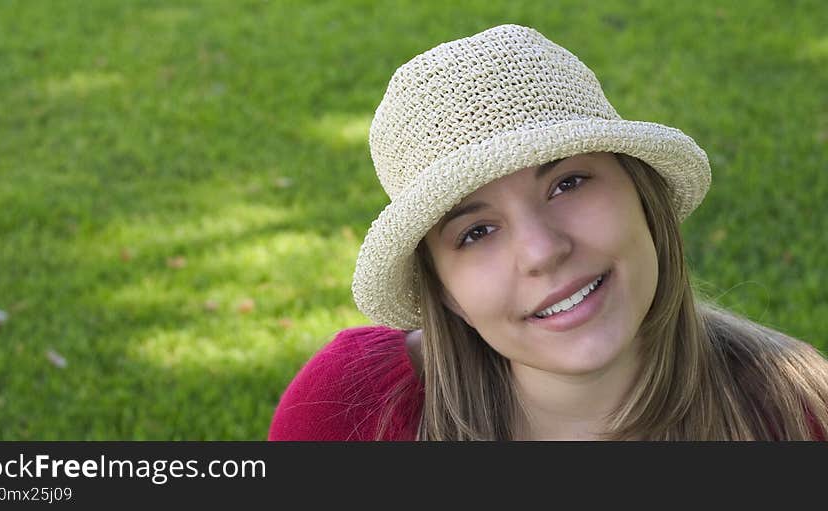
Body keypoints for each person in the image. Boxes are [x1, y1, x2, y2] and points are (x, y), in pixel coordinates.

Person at [268, 24, 828, 441]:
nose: (541, 251)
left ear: (642, 195)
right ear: (443, 291)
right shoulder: (347, 409)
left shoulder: (797, 414)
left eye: (568, 183)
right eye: (476, 231)